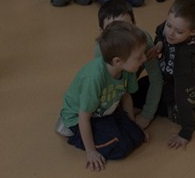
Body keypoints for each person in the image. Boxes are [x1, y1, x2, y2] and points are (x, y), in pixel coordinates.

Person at [56, 21, 148, 171]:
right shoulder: (94, 78)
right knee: (120, 149)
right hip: (80, 117)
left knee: (137, 136)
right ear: (117, 61)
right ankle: (70, 130)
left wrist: (132, 125)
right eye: (139, 57)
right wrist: (91, 152)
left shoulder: (127, 70)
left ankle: (111, 127)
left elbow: (126, 96)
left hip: (105, 110)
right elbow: (84, 116)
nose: (144, 59)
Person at [139, 0, 195, 149]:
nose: (170, 33)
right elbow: (160, 32)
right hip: (166, 77)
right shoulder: (172, 28)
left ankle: (192, 100)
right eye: (169, 25)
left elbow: (182, 95)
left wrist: (186, 132)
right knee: (139, 90)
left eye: (179, 31)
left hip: (178, 86)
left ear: (193, 32)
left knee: (179, 101)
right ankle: (193, 97)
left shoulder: (184, 61)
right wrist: (159, 43)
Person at [95, 0, 163, 129]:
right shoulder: (101, 51)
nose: (121, 37)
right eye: (112, 30)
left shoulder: (145, 42)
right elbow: (104, 86)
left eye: (125, 27)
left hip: (130, 83)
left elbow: (156, 80)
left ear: (134, 25)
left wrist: (147, 115)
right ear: (102, 33)